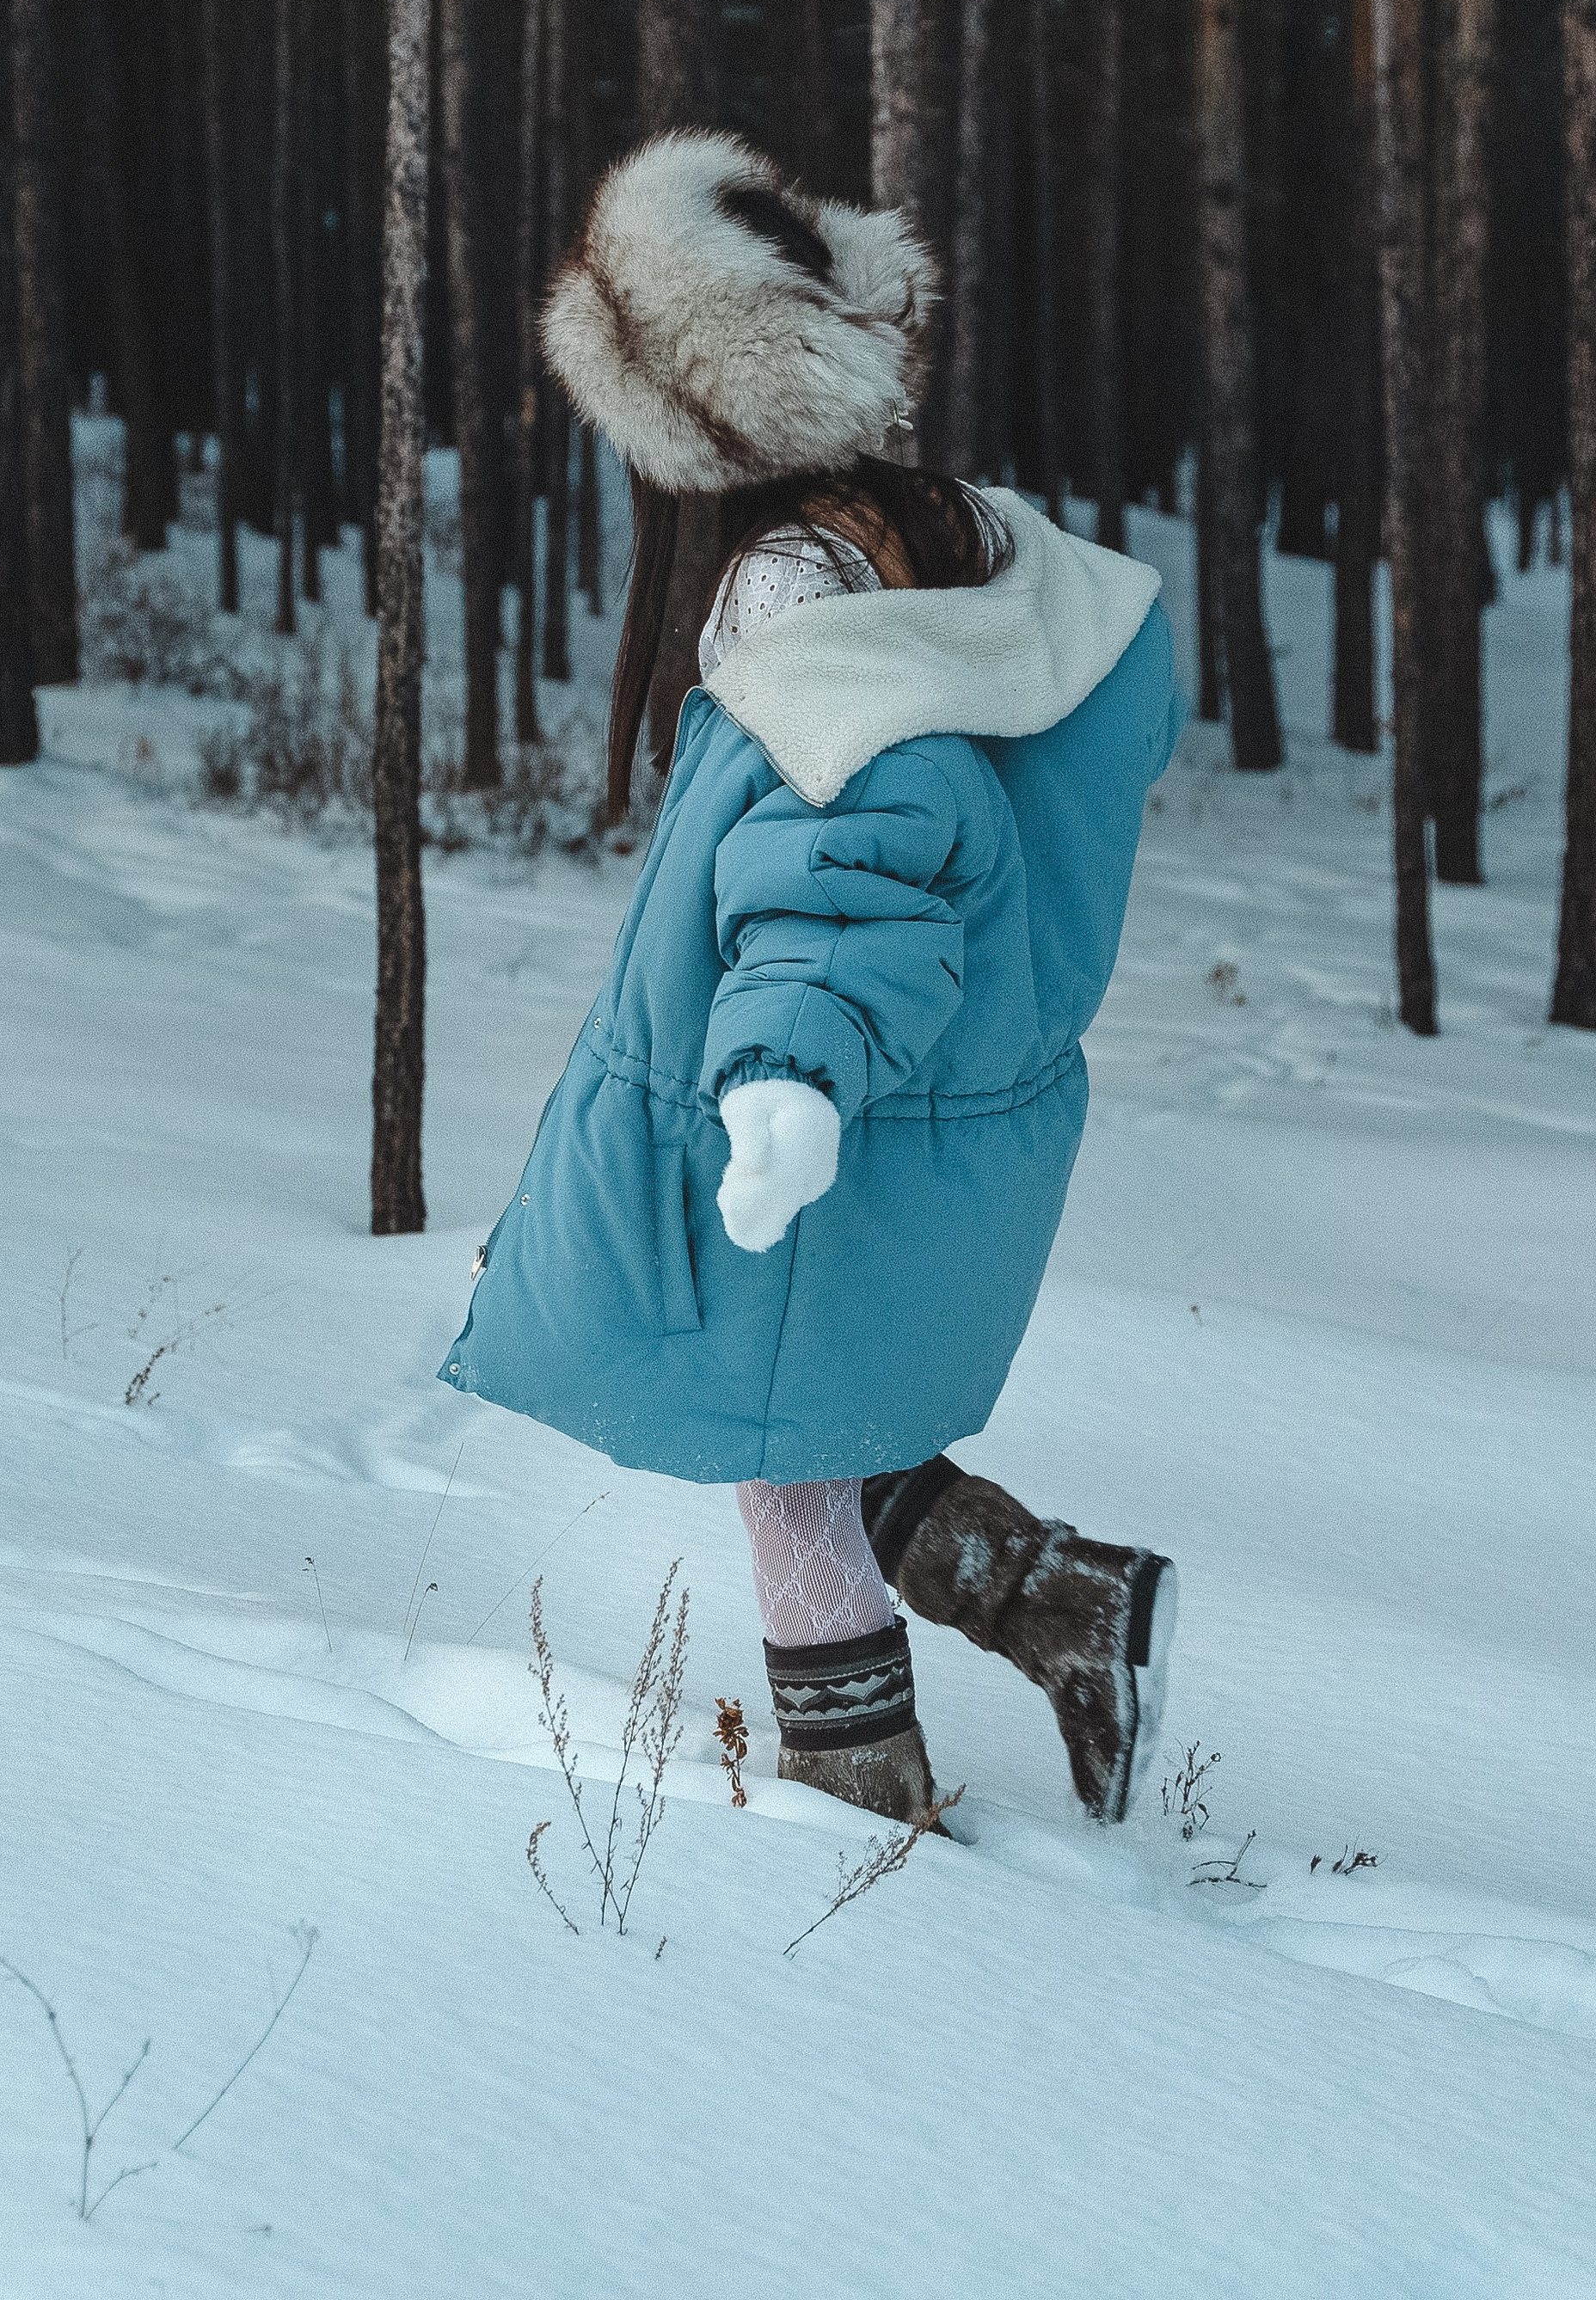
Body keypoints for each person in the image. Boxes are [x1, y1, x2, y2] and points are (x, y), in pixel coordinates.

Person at [441, 131, 1184, 1825]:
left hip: (824, 1103)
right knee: (788, 1408)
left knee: (768, 1444)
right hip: (911, 1112)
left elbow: (856, 874)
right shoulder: (962, 544)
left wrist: (787, 1075)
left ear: (690, 421)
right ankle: (1059, 1600)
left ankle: (858, 1802)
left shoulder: (795, 587)